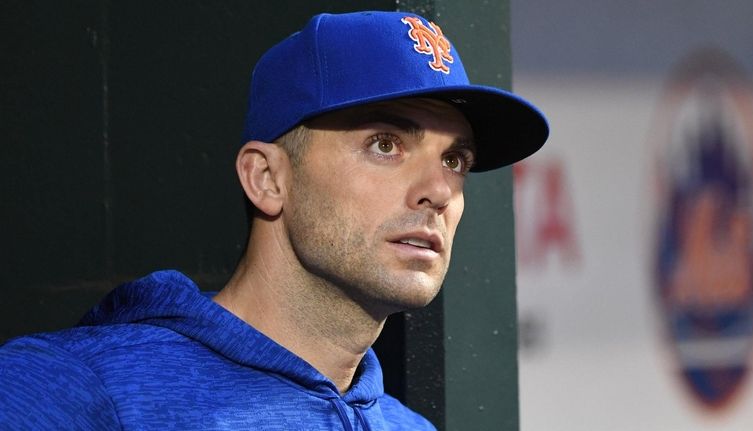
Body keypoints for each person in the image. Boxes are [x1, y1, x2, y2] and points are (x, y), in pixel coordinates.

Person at [0, 10, 547, 430]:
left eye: (455, 160)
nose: (439, 191)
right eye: (385, 144)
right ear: (267, 178)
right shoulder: (73, 391)